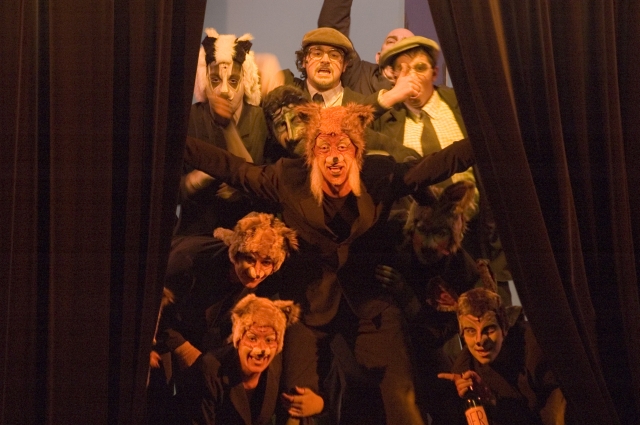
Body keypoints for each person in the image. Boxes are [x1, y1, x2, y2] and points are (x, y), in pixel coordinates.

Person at [182, 102, 476, 424]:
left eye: (342, 148)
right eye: (324, 148)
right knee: (297, 402)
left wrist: (484, 142)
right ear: (312, 154)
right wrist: (176, 143)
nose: (334, 157)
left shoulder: (380, 175)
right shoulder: (288, 178)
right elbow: (234, 169)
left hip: (371, 306)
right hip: (309, 306)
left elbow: (434, 166)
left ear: (356, 153)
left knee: (401, 400)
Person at [374, 35, 514, 299]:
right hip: (419, 251)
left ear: (435, 73)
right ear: (393, 76)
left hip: (476, 240)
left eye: (420, 67)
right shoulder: (386, 121)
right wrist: (389, 98)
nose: (411, 76)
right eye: (403, 69)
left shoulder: (463, 105)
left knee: (487, 312)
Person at [147, 212, 299, 424]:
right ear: (236, 253)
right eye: (250, 259)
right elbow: (149, 306)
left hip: (203, 332)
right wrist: (182, 348)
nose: (256, 272)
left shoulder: (267, 283)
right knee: (155, 395)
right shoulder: (188, 262)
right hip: (156, 328)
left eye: (266, 263)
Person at [375, 180, 493, 425]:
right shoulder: (392, 236)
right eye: (423, 231)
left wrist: (406, 296)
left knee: (449, 403)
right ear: (412, 228)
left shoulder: (462, 272)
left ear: (453, 237)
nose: (429, 245)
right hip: (380, 339)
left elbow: (439, 333)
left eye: (439, 233)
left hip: (426, 346)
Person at [176, 28, 269, 235]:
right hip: (196, 234)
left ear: (246, 81)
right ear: (204, 80)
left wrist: (243, 190)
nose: (224, 91)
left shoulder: (261, 120)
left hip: (249, 235)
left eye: (233, 81)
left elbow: (272, 188)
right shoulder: (189, 119)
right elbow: (164, 193)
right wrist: (195, 180)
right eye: (215, 80)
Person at [438, 288, 567, 425]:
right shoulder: (464, 371)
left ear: (504, 328)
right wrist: (487, 400)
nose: (479, 340)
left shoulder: (533, 345)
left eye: (489, 329)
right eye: (470, 331)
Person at [181, 294, 301, 425]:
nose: (261, 349)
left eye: (269, 340)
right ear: (238, 340)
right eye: (252, 338)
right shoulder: (209, 371)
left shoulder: (277, 367)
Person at [317, 0, 415, 95]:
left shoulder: (421, 90)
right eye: (391, 41)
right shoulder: (360, 75)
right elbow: (332, 29)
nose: (398, 45)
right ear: (378, 57)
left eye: (406, 43)